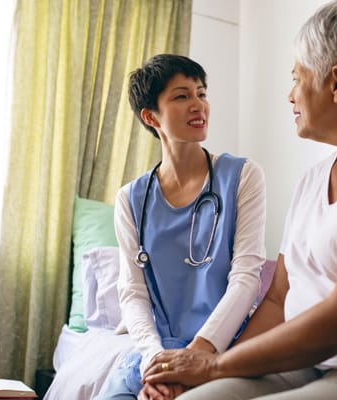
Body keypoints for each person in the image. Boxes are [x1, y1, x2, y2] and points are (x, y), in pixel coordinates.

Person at [142, 1, 337, 399]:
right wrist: (214, 377)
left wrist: (215, 364)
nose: (290, 94)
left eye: (297, 77)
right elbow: (277, 299)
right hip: (310, 365)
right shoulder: (312, 181)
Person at [94, 54, 267, 400]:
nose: (198, 105)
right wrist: (155, 361)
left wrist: (199, 354)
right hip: (158, 351)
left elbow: (247, 276)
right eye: (181, 96)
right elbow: (133, 293)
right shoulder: (132, 199)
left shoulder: (243, 176)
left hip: (223, 344)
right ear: (150, 116)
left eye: (201, 94)